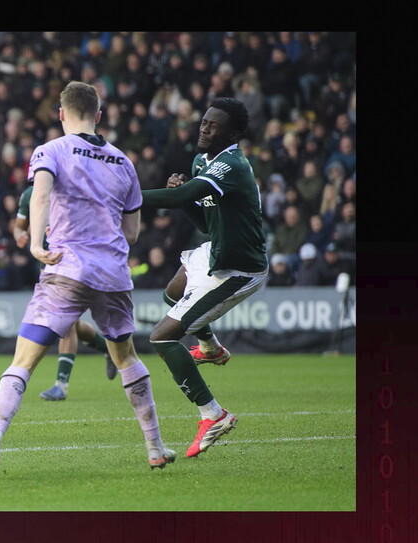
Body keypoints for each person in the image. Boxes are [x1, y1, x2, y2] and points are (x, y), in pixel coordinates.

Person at [0, 81, 175, 480]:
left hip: (67, 268)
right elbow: (131, 234)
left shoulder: (51, 150)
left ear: (61, 113)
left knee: (23, 361)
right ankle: (155, 447)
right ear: (98, 114)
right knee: (126, 357)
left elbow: (40, 196)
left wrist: (36, 244)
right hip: (113, 274)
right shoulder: (124, 162)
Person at [137, 97, 268, 458]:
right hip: (216, 251)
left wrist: (123, 195)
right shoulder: (202, 161)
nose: (205, 128)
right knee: (173, 292)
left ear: (233, 135)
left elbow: (183, 195)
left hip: (239, 268)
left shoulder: (231, 165)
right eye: (204, 122)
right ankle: (210, 347)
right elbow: (206, 222)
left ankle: (213, 414)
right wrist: (184, 198)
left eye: (214, 125)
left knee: (162, 337)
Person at [13, 184, 118, 403]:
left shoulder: (72, 189)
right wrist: (20, 234)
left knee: (66, 323)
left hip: (72, 262)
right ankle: (107, 348)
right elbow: (19, 226)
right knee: (74, 325)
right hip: (46, 266)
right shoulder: (29, 195)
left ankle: (61, 385)